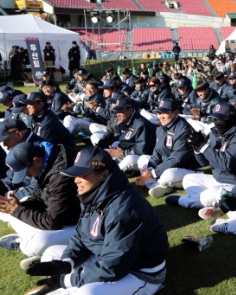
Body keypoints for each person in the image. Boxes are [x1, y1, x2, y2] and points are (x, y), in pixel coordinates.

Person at [25, 146, 168, 295]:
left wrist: (65, 281)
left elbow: (114, 266)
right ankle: (66, 289)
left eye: (82, 174)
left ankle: (66, 289)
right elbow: (80, 236)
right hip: (104, 258)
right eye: (75, 174)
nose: (76, 181)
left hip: (138, 273)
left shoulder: (125, 209)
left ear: (104, 174)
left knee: (87, 293)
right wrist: (67, 263)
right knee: (52, 253)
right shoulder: (94, 193)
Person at [0, 141, 80, 266]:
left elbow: (53, 222)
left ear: (36, 160)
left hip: (89, 224)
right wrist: (16, 207)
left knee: (39, 242)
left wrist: (17, 210)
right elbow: (39, 198)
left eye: (26, 171)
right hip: (70, 217)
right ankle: (31, 242)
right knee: (21, 205)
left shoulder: (61, 176)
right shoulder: (49, 161)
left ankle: (23, 244)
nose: (27, 175)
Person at [166, 102, 236, 216]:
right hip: (217, 178)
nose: (217, 122)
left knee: (209, 195)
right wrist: (196, 148)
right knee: (188, 179)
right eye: (215, 118)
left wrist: (203, 146)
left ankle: (183, 201)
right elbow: (203, 162)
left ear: (232, 119)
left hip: (235, 183)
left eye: (221, 119)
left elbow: (227, 164)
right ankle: (218, 204)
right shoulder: (214, 132)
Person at [134, 99, 195, 198]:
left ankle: (158, 183)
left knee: (168, 175)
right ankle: (157, 185)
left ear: (175, 113)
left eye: (165, 113)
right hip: (168, 165)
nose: (161, 116)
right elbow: (157, 152)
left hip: (187, 168)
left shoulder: (184, 129)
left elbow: (177, 159)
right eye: (159, 113)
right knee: (143, 159)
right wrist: (149, 169)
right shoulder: (161, 128)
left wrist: (153, 173)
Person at [105, 98, 157, 173]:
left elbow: (143, 150)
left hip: (145, 157)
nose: (117, 114)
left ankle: (113, 175)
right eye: (117, 111)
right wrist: (118, 148)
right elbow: (126, 141)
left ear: (130, 110)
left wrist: (123, 153)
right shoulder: (124, 120)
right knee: (107, 151)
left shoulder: (141, 124)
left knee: (129, 159)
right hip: (130, 151)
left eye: (121, 111)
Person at [24, 92, 77, 160]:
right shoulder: (36, 116)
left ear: (41, 104)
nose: (27, 106)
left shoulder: (48, 121)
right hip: (52, 151)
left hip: (64, 156)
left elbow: (43, 146)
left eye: (30, 104)